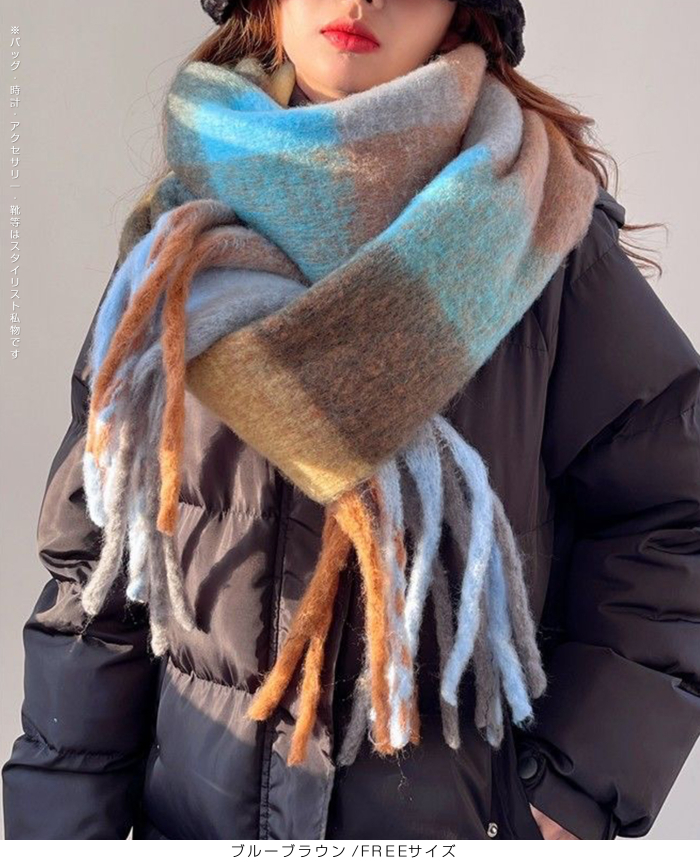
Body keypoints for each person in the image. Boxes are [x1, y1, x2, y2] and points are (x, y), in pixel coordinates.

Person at [3, 0, 700, 842]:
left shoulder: (539, 238)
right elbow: (99, 566)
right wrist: (57, 828)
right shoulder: (174, 249)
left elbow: (675, 516)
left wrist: (570, 792)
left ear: (462, 14)